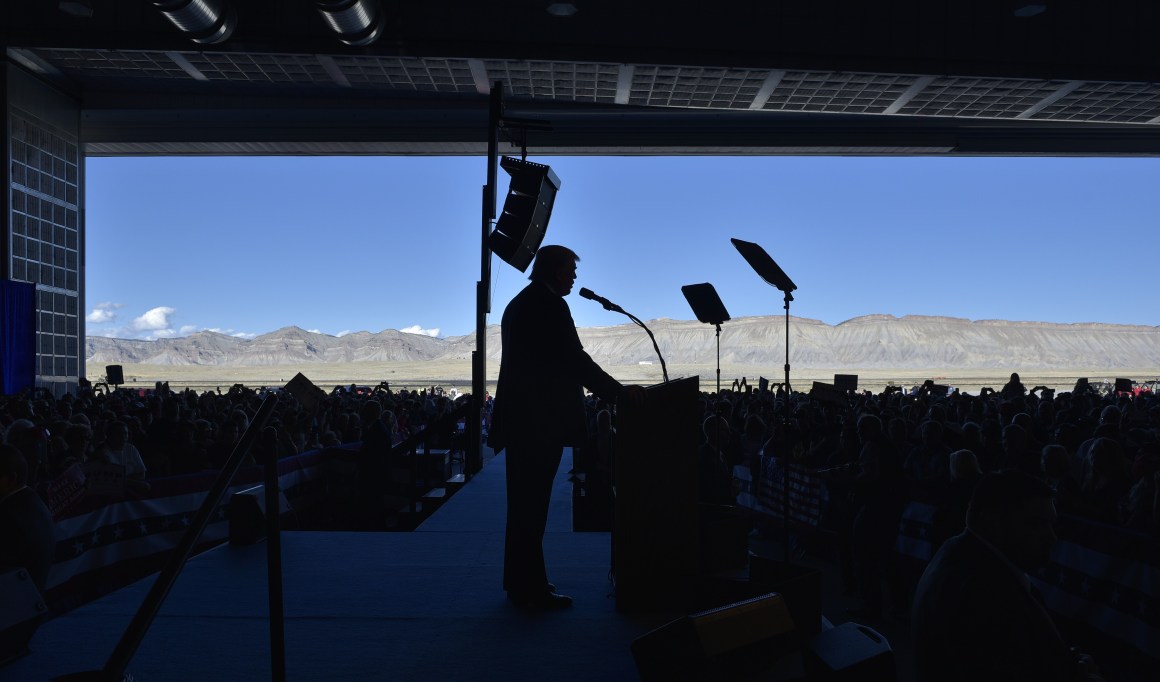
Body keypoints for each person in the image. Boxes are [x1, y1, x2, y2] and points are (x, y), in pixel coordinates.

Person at [487, 245, 643, 610]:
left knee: (524, 506)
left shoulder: (519, 303)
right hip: (540, 423)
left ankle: (521, 580)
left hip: (523, 422)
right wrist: (619, 395)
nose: (574, 277)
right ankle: (530, 589)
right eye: (571, 270)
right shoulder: (549, 305)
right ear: (556, 271)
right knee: (532, 507)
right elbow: (575, 360)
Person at [911, 470, 1105, 682]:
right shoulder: (984, 595)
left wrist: (1066, 660)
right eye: (1037, 524)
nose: (1052, 537)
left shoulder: (959, 555)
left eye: (1051, 524)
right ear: (990, 520)